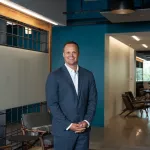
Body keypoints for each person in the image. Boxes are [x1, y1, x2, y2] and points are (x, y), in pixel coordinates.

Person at [46, 41, 97, 150]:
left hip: (83, 131)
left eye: (74, 52)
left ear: (78, 54)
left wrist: (86, 121)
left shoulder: (88, 75)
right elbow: (52, 104)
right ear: (63, 54)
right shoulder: (54, 76)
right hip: (63, 131)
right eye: (68, 52)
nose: (71, 55)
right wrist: (69, 125)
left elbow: (92, 100)